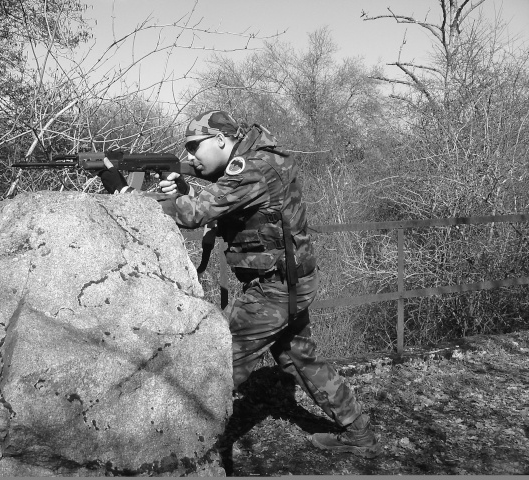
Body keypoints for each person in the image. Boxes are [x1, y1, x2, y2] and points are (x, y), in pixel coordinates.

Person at [97, 110, 380, 458]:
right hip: (291, 283)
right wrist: (186, 188)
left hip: (274, 290)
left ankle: (177, 454)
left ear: (220, 140)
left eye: (194, 147)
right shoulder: (261, 159)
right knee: (301, 360)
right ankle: (358, 432)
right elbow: (242, 208)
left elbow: (193, 214)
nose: (189, 157)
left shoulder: (250, 168)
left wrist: (122, 190)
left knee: (212, 363)